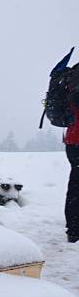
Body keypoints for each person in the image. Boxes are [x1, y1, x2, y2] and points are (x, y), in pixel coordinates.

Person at [62, 63, 79, 242]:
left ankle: (73, 229)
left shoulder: (70, 77)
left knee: (75, 185)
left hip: (73, 141)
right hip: (77, 140)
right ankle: (74, 229)